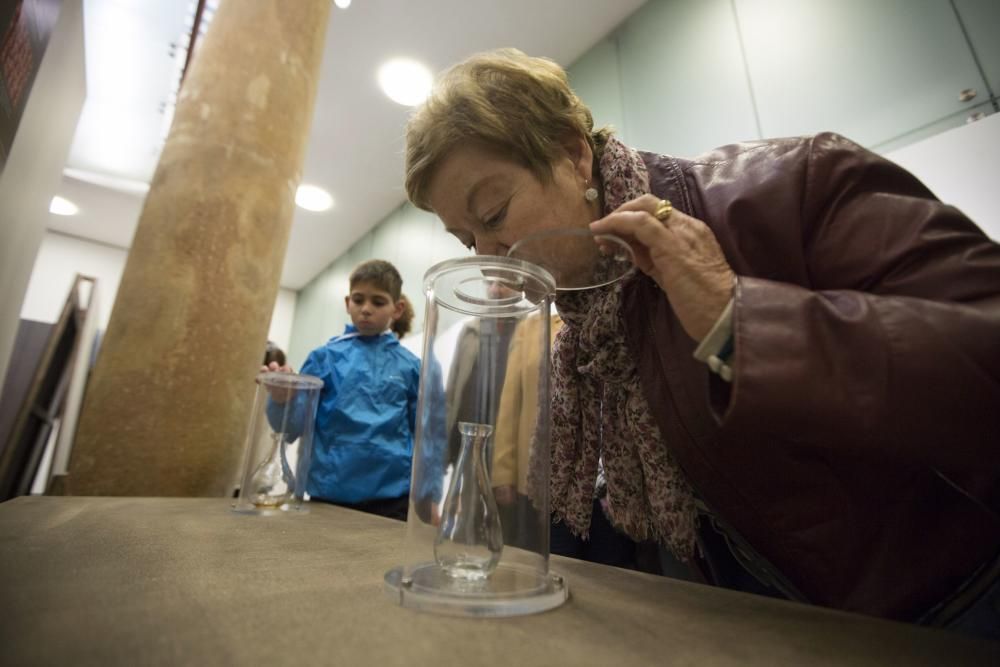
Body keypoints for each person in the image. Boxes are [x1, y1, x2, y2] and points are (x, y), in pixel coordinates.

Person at [402, 48, 1000, 635]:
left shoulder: (793, 183)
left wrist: (738, 321)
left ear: (572, 154)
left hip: (943, 613)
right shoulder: (586, 326)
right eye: (466, 239)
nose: (488, 260)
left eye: (496, 213)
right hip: (760, 629)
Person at [262, 260, 425, 521]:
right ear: (348, 302)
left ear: (397, 308)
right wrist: (283, 400)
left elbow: (426, 436)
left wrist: (430, 495)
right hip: (328, 495)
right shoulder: (323, 358)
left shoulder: (411, 367)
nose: (366, 309)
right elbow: (292, 429)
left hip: (392, 499)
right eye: (359, 300)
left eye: (378, 302)